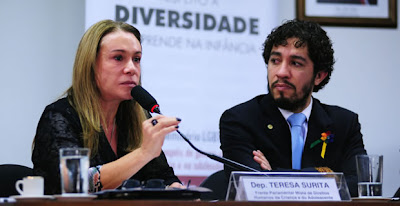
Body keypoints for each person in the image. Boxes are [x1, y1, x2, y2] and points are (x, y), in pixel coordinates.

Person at [32, 19, 183, 195]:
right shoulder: (59, 117)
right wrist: (143, 153)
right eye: (118, 58)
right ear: (90, 65)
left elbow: (164, 177)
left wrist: (177, 191)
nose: (131, 68)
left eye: (136, 59)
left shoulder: (139, 118)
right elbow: (76, 184)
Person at [219, 19, 366, 197]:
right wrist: (329, 175)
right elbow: (251, 186)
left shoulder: (344, 123)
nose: (281, 72)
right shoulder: (239, 120)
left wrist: (274, 174)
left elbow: (360, 184)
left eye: (295, 63)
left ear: (319, 76)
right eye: (275, 60)